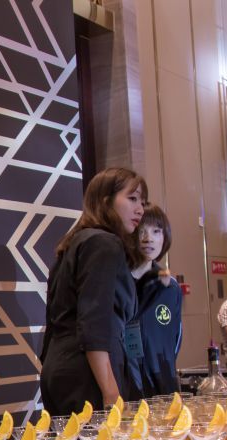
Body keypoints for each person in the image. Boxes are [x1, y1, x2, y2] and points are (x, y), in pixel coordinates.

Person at [40, 167, 145, 414]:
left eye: (142, 201)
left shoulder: (75, 242)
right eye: (132, 199)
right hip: (90, 374)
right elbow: (94, 323)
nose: (140, 209)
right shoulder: (104, 243)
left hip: (62, 369)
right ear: (105, 201)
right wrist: (110, 391)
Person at [127, 205, 182, 398]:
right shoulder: (119, 283)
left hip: (163, 386)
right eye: (141, 231)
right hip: (127, 387)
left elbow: (175, 341)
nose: (148, 238)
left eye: (156, 231)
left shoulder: (171, 287)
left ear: (164, 237)